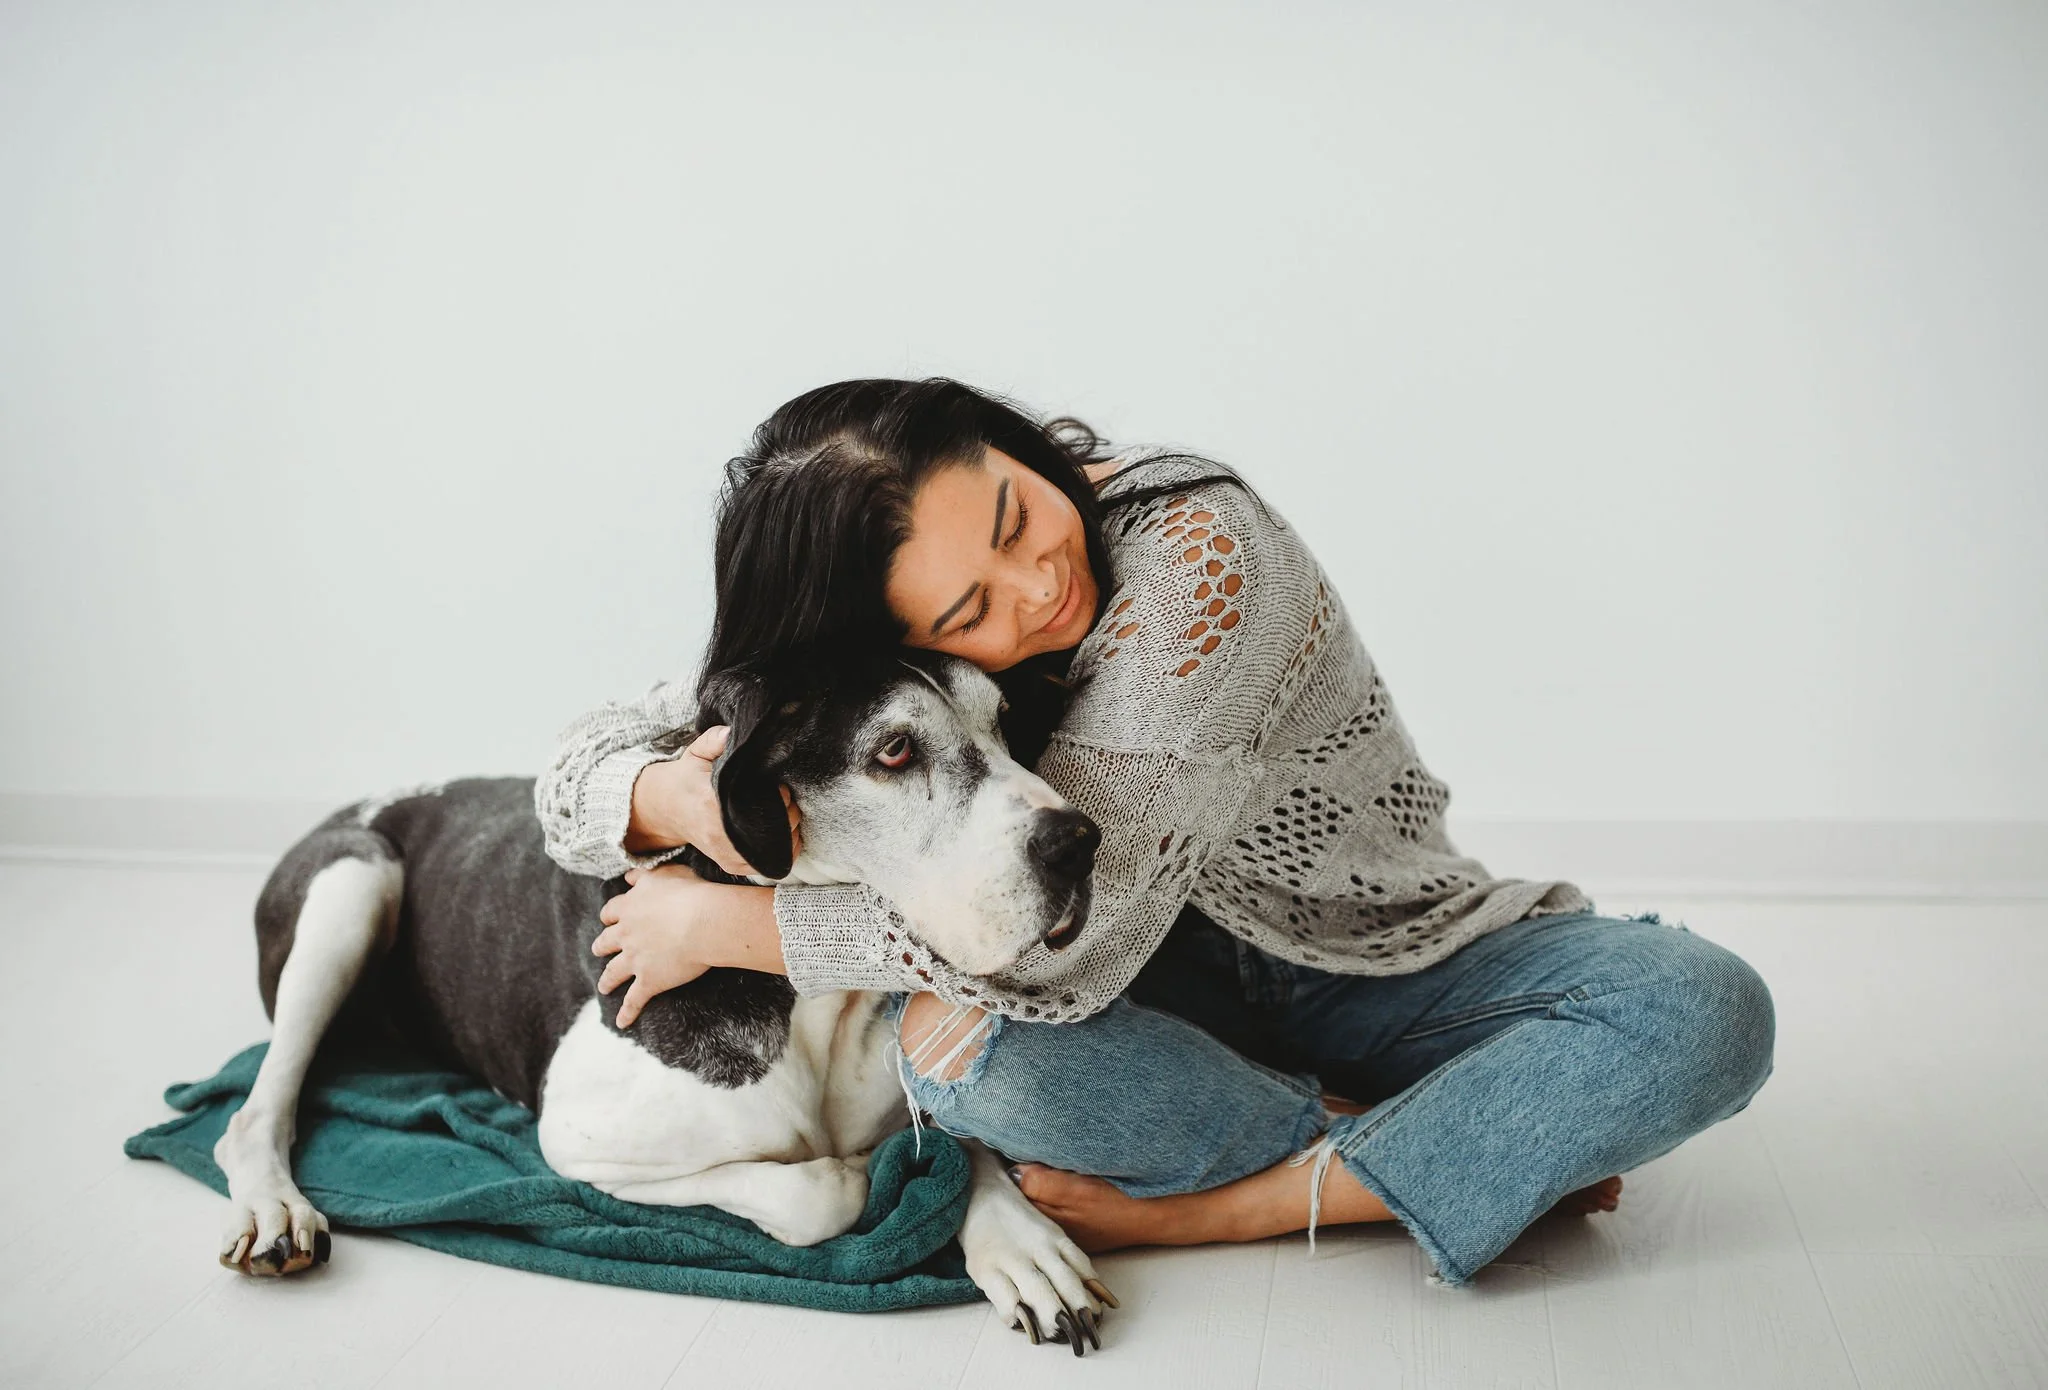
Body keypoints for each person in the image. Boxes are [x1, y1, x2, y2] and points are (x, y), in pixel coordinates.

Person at [534, 377, 1775, 1285]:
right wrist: (679, 795)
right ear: (894, 637)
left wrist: (733, 924)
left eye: (1016, 517)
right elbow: (577, 770)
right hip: (1152, 997)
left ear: (1011, 443)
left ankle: (1235, 1202)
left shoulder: (1203, 550)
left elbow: (1075, 941)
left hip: (1379, 959)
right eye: (968, 612)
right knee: (953, 1050)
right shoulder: (875, 639)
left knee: (1701, 1008)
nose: (1038, 585)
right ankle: (1450, 1148)